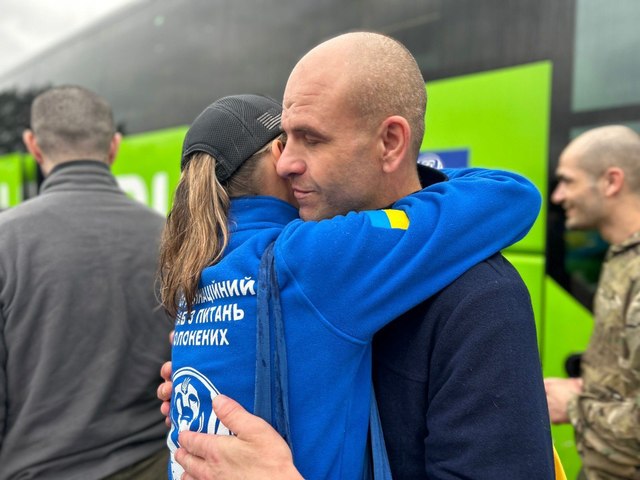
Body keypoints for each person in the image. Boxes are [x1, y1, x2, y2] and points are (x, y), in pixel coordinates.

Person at [159, 32, 558, 479]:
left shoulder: (480, 299)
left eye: (311, 139)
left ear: (390, 142)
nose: (286, 163)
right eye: (285, 140)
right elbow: (511, 193)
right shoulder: (306, 262)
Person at [0, 85, 172, 479]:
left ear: (33, 146)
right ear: (114, 147)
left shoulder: (6, 240)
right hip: (155, 464)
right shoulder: (169, 236)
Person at [544, 125, 640, 480]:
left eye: (568, 181)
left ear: (612, 182)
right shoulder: (622, 258)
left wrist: (573, 406)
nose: (558, 196)